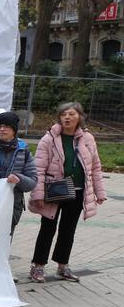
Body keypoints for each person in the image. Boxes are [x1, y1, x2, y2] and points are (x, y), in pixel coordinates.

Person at [28, 102, 106, 283]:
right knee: (47, 229)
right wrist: (38, 194)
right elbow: (38, 169)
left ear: (80, 117)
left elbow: (95, 167)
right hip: (54, 191)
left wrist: (99, 192)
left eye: (71, 114)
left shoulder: (87, 138)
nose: (67, 117)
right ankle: (37, 266)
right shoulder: (49, 138)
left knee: (68, 231)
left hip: (78, 192)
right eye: (63, 114)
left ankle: (62, 266)